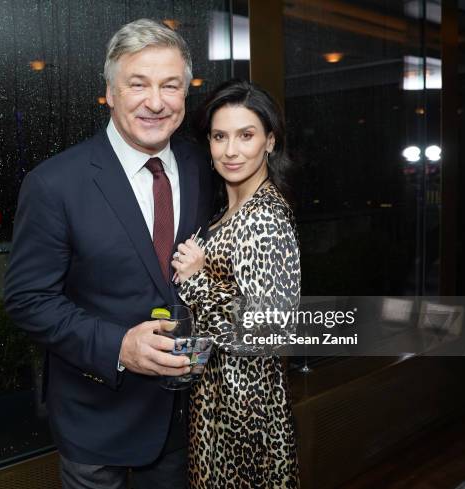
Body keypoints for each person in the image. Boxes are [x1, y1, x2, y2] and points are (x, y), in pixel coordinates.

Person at [4, 19, 212, 489]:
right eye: (138, 84)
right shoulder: (54, 183)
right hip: (96, 420)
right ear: (110, 92)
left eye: (170, 86)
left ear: (185, 93)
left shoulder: (201, 165)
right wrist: (118, 347)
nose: (156, 102)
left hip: (182, 420)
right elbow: (28, 300)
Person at [171, 80, 301, 489]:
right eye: (219, 136)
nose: (231, 150)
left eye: (246, 135)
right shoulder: (226, 212)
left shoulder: (263, 218)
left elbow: (272, 333)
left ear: (269, 142)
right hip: (218, 401)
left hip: (246, 414)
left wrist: (196, 283)